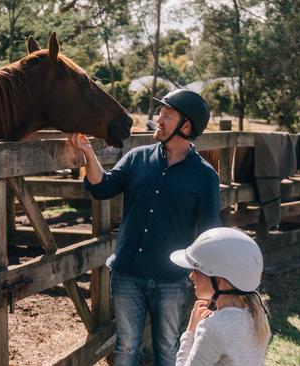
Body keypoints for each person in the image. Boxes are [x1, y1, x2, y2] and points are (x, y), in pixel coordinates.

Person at [67, 89, 221, 366]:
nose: (158, 120)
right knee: (125, 348)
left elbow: (210, 232)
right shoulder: (137, 158)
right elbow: (103, 187)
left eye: (167, 116)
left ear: (186, 126)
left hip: (171, 280)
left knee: (168, 350)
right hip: (127, 273)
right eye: (160, 114)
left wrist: (208, 283)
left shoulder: (205, 176)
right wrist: (88, 153)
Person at [169, 227, 271, 366]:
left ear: (219, 282)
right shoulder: (256, 315)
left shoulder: (213, 327)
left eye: (197, 271)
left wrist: (190, 330)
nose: (191, 276)